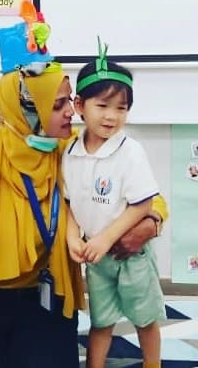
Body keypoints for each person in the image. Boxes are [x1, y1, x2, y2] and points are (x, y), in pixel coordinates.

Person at [0, 3, 167, 368]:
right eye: (57, 105)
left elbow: (151, 198)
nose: (71, 112)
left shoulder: (71, 153)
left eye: (69, 101)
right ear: (26, 110)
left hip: (45, 296)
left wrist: (149, 224)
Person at [63, 38, 165, 368]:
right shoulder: (69, 152)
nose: (112, 116)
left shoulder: (130, 151)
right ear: (80, 105)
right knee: (101, 321)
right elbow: (69, 202)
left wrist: (107, 238)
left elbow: (143, 204)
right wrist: (73, 236)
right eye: (103, 105)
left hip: (130, 256)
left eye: (121, 108)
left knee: (145, 319)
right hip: (97, 258)